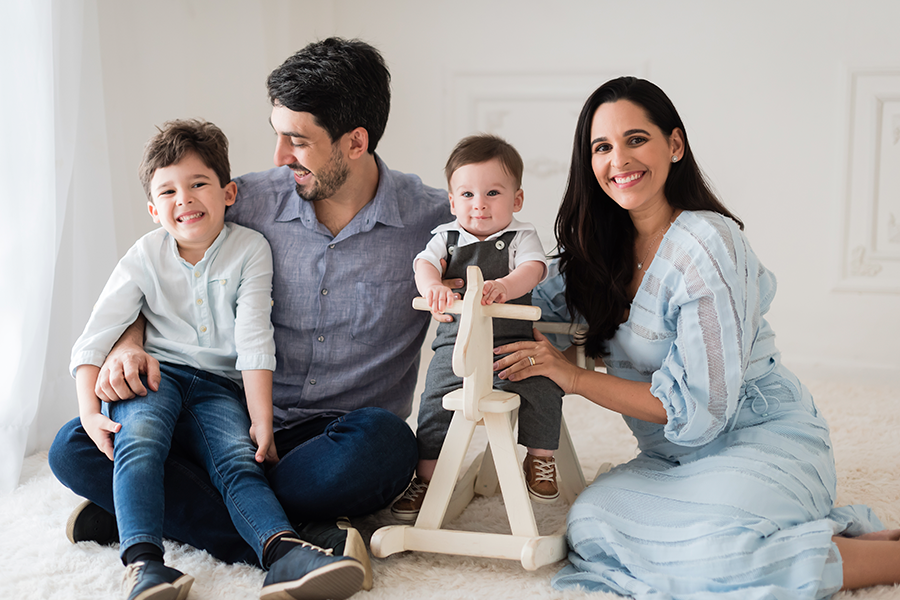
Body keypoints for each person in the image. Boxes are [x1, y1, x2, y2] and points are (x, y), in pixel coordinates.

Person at [49, 38, 453, 592]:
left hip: (333, 441)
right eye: (276, 133)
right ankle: (289, 539)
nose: (280, 156)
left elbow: (486, 310)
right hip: (225, 418)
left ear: (355, 141)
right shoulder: (245, 199)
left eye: (297, 140)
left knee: (388, 445)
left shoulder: (433, 222)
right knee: (74, 446)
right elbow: (163, 265)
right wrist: (128, 342)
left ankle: (154, 507)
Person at [492, 76, 900, 598]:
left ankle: (882, 556)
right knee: (591, 528)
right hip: (669, 461)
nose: (619, 159)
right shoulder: (599, 254)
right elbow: (526, 294)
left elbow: (699, 411)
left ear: (675, 145)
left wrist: (571, 377)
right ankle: (799, 539)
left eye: (636, 139)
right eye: (602, 147)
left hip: (758, 439)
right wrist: (455, 269)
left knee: (720, 558)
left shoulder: (708, 243)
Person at [68, 119, 365, 600]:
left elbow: (254, 340)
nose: (183, 199)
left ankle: (284, 552)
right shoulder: (145, 255)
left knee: (238, 462)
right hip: (156, 378)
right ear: (152, 209)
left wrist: (262, 420)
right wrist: (88, 412)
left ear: (228, 193)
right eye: (167, 192)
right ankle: (145, 566)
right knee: (135, 444)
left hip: (220, 389)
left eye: (197, 184)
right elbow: (95, 337)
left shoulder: (250, 249)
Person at [390, 135, 564, 521]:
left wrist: (505, 286)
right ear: (453, 202)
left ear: (516, 200)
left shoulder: (520, 237)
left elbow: (534, 269)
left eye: (493, 193)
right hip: (457, 350)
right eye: (467, 194)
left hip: (511, 344)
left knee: (545, 387)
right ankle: (428, 476)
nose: (479, 204)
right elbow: (423, 265)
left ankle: (539, 457)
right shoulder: (445, 238)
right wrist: (432, 286)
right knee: (433, 401)